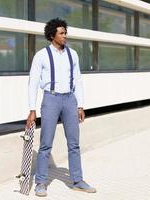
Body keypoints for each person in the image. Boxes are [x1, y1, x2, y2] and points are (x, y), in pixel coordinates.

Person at [26, 18, 96, 197]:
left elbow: (78, 80)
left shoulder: (73, 54)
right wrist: (32, 109)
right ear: (52, 35)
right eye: (61, 33)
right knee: (45, 145)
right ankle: (41, 182)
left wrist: (80, 105)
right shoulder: (41, 55)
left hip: (70, 100)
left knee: (74, 144)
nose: (65, 36)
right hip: (51, 100)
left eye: (65, 33)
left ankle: (77, 180)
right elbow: (33, 83)